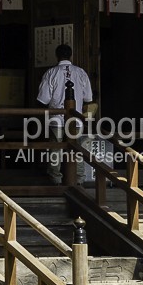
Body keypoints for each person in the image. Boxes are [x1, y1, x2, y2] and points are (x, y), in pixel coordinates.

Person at [36, 44, 95, 183]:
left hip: (56, 118)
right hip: (76, 119)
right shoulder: (81, 72)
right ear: (71, 55)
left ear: (57, 56)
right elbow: (88, 98)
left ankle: (55, 178)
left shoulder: (51, 73)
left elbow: (43, 99)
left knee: (56, 149)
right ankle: (79, 179)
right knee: (77, 149)